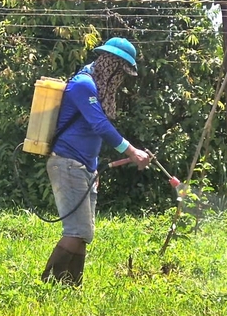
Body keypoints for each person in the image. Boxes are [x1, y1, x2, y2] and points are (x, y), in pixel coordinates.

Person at [41, 37, 151, 286]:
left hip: (83, 167)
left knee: (84, 233)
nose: (119, 78)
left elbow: (91, 133)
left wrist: (93, 168)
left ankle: (70, 288)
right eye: (118, 71)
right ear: (108, 63)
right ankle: (49, 286)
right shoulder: (83, 84)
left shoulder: (94, 87)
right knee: (76, 231)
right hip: (67, 163)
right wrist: (132, 151)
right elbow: (98, 125)